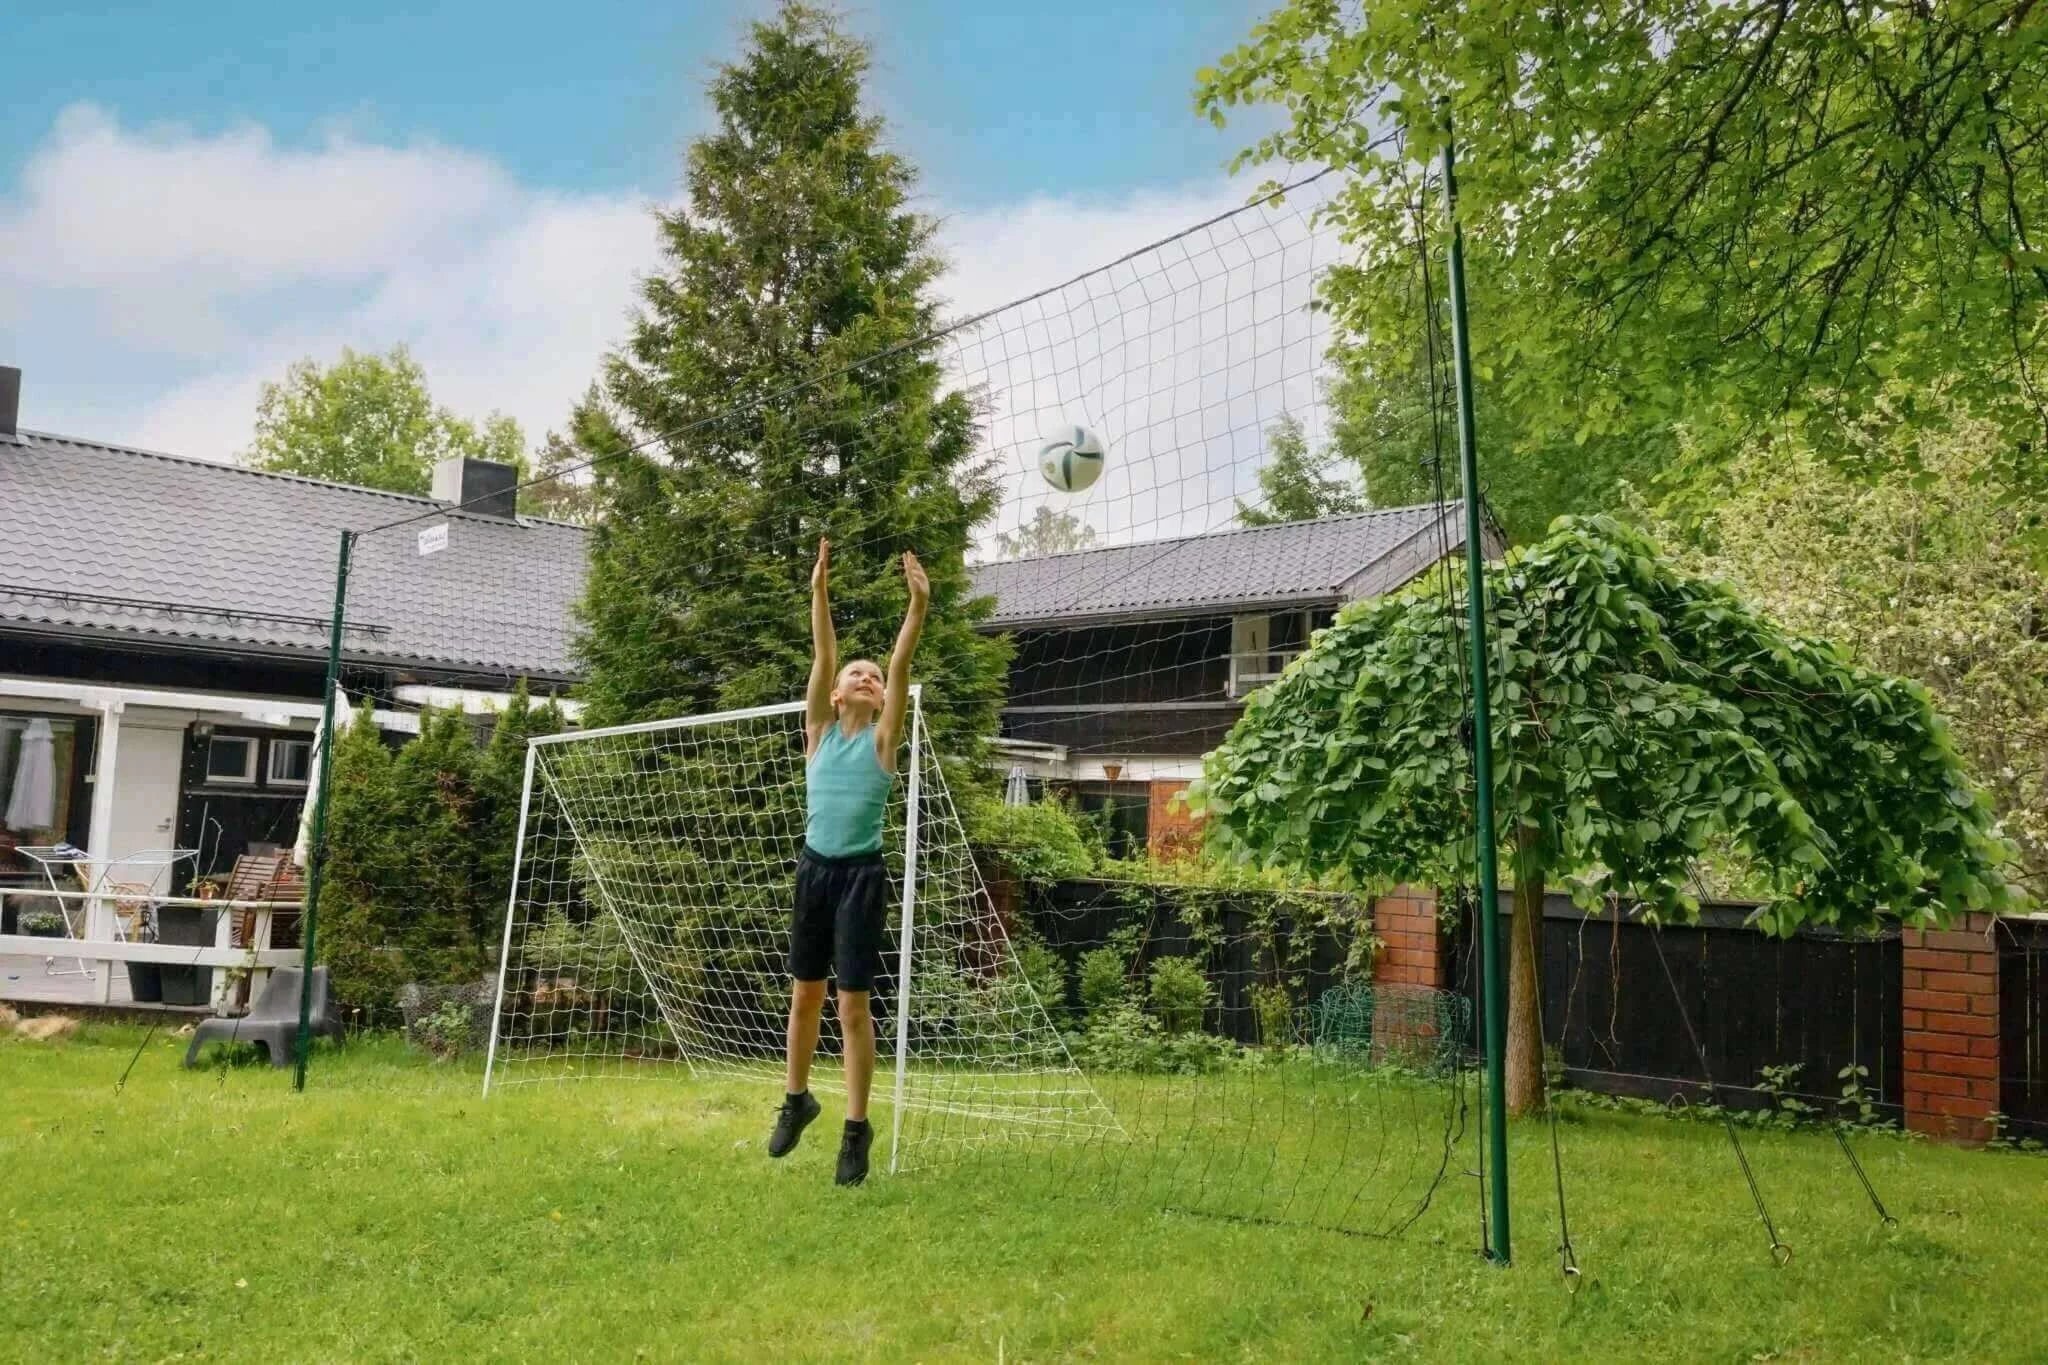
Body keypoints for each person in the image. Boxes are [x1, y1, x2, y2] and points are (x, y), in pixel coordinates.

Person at [768, 537, 928, 1185]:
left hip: (861, 878)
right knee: (805, 994)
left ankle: (855, 1130)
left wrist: (916, 607)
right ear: (833, 696)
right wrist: (818, 590)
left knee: (851, 1007)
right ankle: (797, 1098)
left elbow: (899, 664)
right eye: (853, 676)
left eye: (871, 676)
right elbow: (823, 651)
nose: (865, 677)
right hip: (815, 871)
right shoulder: (819, 734)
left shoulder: (884, 742)